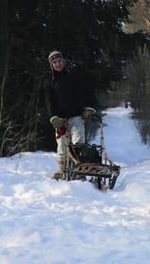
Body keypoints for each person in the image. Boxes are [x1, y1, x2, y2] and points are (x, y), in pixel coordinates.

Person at [45, 50, 96, 180]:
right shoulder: (50, 81)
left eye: (59, 61)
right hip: (60, 120)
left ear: (64, 61)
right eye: (55, 62)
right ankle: (62, 171)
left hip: (76, 115)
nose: (58, 64)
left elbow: (86, 92)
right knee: (61, 145)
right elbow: (49, 101)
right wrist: (53, 117)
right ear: (51, 65)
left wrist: (88, 108)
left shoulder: (74, 76)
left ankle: (79, 170)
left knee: (78, 142)